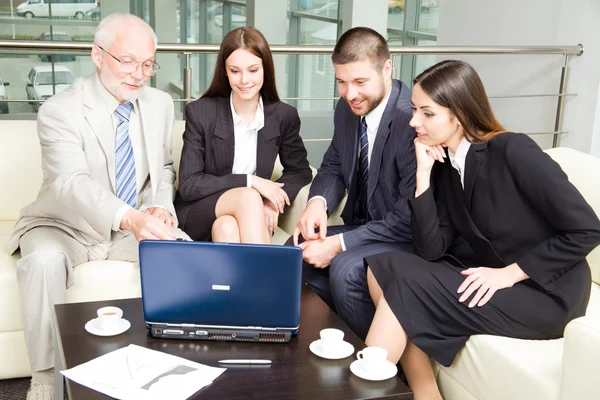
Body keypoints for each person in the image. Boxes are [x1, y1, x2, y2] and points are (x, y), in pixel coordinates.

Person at [364, 59, 600, 399]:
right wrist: (422, 176)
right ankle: (425, 389)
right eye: (415, 109)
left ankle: (372, 389)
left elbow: (587, 229)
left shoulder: (513, 150)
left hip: (547, 293)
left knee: (405, 281)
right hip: (493, 273)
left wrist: (511, 274)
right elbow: (432, 248)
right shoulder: (445, 164)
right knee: (382, 265)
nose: (414, 121)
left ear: (458, 114)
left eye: (427, 113)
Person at [8, 14, 190, 400]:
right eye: (127, 61)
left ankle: (163, 365)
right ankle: (44, 378)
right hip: (63, 224)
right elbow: (70, 182)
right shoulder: (59, 110)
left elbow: (164, 168)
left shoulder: (159, 104)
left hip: (129, 225)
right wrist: (131, 216)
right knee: (42, 262)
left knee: (179, 249)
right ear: (97, 54)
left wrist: (160, 208)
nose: (140, 75)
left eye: (148, 64)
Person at [290, 27, 416, 339]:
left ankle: (381, 363)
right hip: (365, 228)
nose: (350, 93)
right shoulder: (346, 110)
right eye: (342, 82)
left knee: (346, 270)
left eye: (360, 82)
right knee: (293, 255)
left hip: (405, 236)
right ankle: (335, 343)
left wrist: (337, 244)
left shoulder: (411, 119)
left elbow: (407, 218)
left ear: (387, 69)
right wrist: (317, 204)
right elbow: (334, 164)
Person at [175, 27, 312, 243]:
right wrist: (252, 182)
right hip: (199, 210)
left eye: (253, 70)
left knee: (227, 227)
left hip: (249, 215)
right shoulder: (201, 112)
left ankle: (236, 278)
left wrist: (270, 202)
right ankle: (270, 275)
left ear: (265, 69)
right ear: (225, 72)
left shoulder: (284, 116)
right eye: (235, 71)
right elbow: (190, 185)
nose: (244, 80)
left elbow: (300, 171)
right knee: (248, 196)